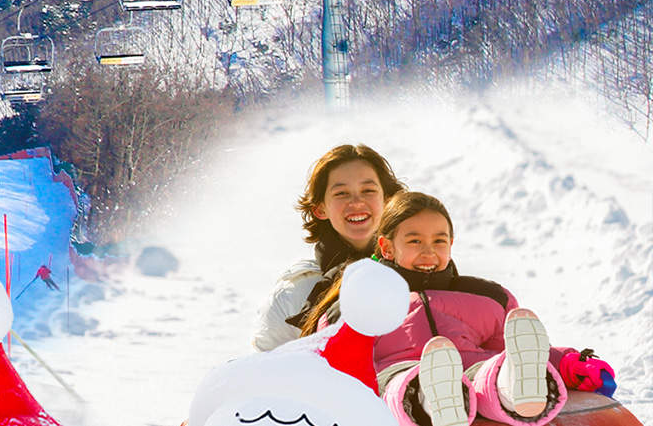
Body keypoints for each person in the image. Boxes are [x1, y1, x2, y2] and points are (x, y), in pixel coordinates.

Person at [302, 191, 616, 426]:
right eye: (414, 241)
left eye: (439, 241)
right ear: (386, 246)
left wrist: (571, 362)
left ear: (452, 243)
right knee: (404, 384)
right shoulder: (362, 300)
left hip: (474, 367)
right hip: (400, 372)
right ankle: (432, 400)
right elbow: (338, 363)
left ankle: (518, 391)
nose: (429, 252)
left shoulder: (487, 296)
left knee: (495, 371)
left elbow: (515, 347)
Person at [251, 143, 405, 351]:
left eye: (368, 190)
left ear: (387, 200)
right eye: (341, 193)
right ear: (320, 209)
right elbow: (265, 372)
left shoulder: (417, 269)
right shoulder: (297, 291)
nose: (357, 202)